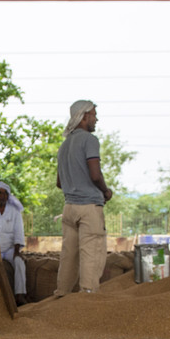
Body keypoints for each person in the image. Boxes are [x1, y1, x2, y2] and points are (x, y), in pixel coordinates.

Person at [54, 100, 112, 297]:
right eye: (94, 115)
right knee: (91, 255)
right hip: (88, 208)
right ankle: (87, 299)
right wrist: (106, 191)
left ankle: (61, 294)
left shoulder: (64, 145)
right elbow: (95, 175)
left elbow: (59, 183)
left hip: (69, 209)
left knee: (69, 256)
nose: (96, 119)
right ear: (84, 116)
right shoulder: (89, 140)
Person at [0, 181, 27, 307]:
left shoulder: (14, 210)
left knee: (19, 262)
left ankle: (20, 295)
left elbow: (19, 231)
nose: (1, 196)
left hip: (9, 249)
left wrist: (17, 252)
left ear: (8, 196)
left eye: (4, 193)